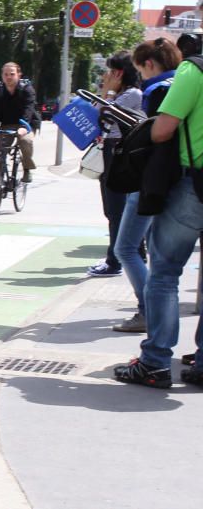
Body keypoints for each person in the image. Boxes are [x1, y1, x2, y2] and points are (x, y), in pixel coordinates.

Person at [113, 42, 203, 389]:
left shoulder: (193, 71)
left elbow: (164, 129)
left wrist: (141, 136)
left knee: (164, 273)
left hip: (193, 185)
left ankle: (155, 362)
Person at [111, 40, 180, 333]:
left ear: (149, 64)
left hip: (151, 180)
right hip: (182, 179)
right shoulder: (183, 82)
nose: (141, 75)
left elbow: (157, 136)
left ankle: (146, 313)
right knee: (162, 259)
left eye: (140, 69)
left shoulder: (156, 90)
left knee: (126, 248)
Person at [87, 51, 143, 279]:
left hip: (120, 151)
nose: (107, 75)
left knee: (116, 207)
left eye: (111, 71)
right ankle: (128, 254)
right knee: (114, 207)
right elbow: (97, 108)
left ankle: (114, 261)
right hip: (111, 149)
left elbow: (103, 111)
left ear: (120, 73)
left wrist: (107, 91)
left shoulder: (132, 94)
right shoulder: (124, 93)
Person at [0, 62, 40, 183]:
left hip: (27, 124)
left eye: (12, 74)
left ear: (18, 75)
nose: (8, 77)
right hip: (7, 123)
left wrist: (23, 127)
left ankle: (27, 169)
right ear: (2, 75)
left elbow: (29, 109)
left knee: (25, 141)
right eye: (6, 74)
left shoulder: (27, 89)